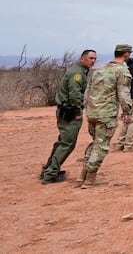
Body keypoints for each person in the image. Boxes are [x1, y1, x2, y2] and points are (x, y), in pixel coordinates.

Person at [79, 44, 133, 188]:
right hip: (106, 114)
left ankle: (82, 176)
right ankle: (90, 178)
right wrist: (127, 112)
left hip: (92, 113)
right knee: (101, 146)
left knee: (96, 143)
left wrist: (86, 109)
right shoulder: (121, 71)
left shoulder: (99, 70)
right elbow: (123, 93)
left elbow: (87, 91)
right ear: (126, 55)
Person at [40, 49, 96, 184]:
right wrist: (78, 112)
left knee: (62, 141)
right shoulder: (77, 73)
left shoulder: (80, 71)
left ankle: (48, 169)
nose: (93, 61)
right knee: (67, 143)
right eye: (90, 58)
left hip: (66, 111)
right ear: (82, 58)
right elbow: (75, 94)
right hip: (70, 113)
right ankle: (50, 173)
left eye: (94, 58)